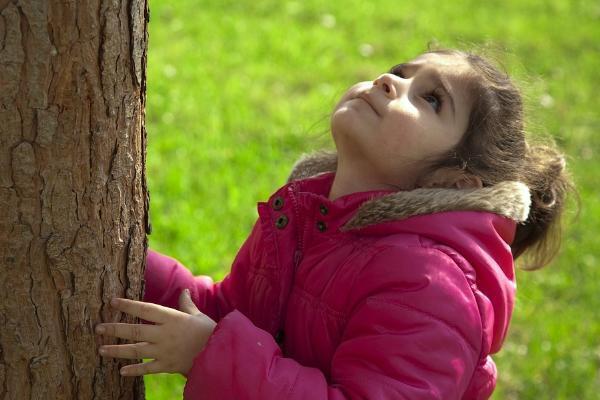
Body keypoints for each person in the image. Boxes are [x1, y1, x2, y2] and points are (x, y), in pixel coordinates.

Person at [95, 49, 573, 399]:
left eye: (430, 99)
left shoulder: (432, 286)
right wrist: (114, 258)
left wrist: (209, 353)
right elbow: (230, 315)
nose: (389, 80)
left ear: (457, 182)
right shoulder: (309, 219)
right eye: (401, 71)